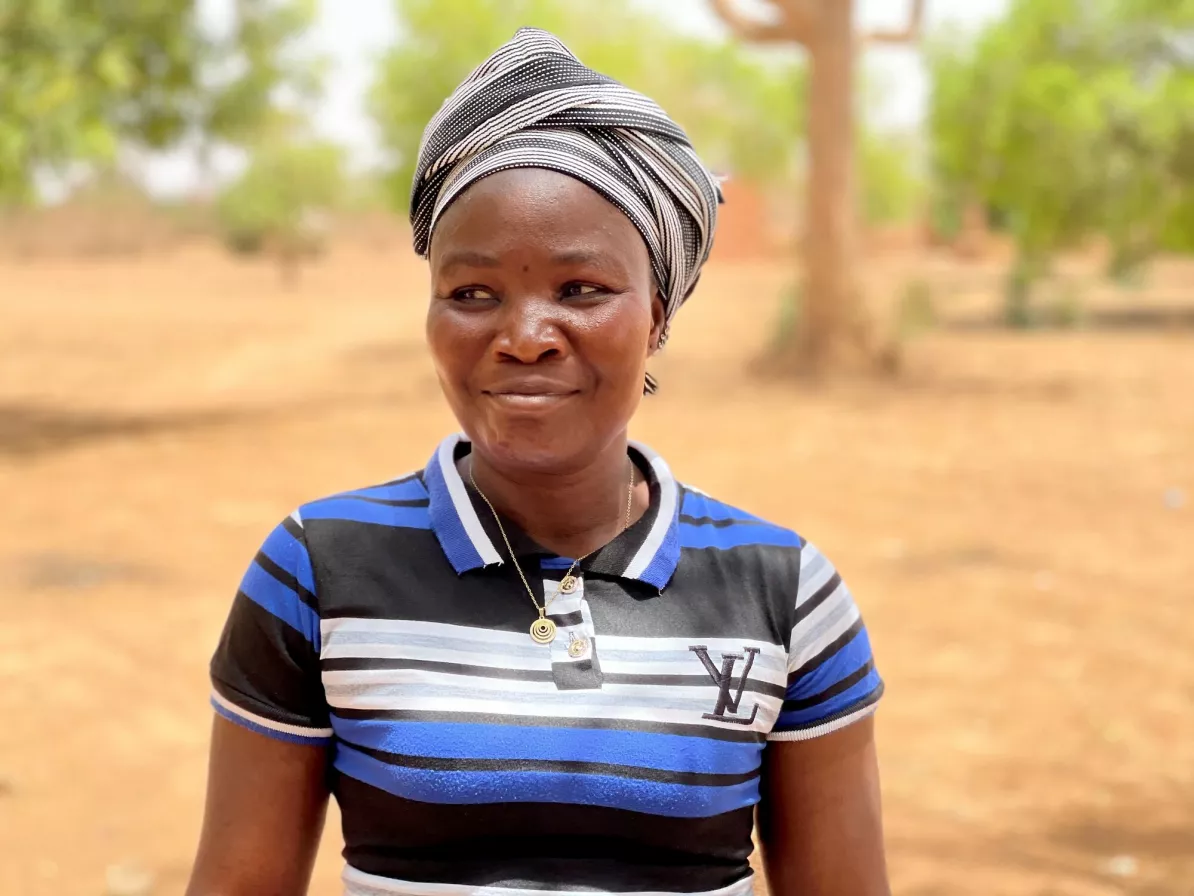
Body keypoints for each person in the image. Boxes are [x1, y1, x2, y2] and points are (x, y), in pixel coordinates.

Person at [186, 27, 889, 896]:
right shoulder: (318, 571)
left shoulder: (782, 591)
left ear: (658, 315)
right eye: (472, 294)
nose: (523, 338)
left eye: (581, 291)